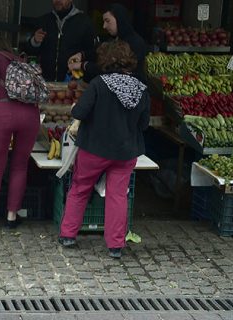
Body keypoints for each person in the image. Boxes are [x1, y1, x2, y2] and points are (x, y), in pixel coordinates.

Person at [57, 40, 150, 259]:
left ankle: (68, 234)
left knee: (80, 188)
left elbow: (80, 112)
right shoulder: (142, 88)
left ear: (105, 60)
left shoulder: (99, 83)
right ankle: (116, 246)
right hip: (126, 151)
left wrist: (75, 109)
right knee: (118, 195)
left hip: (95, 148)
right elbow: (144, 124)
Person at [0, 37, 40, 230]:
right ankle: (11, 216)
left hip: (3, 112)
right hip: (30, 114)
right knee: (20, 166)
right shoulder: (20, 61)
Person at [68, 3, 148, 82]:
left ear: (119, 19)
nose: (104, 26)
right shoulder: (113, 39)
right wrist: (82, 55)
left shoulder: (136, 43)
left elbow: (111, 70)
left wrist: (83, 65)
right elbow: (98, 53)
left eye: (107, 21)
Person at [25, 0, 96, 82]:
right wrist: (35, 41)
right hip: (45, 83)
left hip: (73, 84)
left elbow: (93, 53)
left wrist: (81, 55)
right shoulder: (43, 21)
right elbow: (29, 53)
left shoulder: (84, 22)